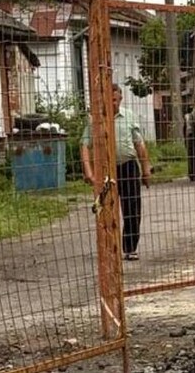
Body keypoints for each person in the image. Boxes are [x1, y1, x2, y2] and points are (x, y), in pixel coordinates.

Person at [80, 83, 152, 261]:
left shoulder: (129, 116)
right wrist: (89, 172)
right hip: (105, 169)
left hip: (127, 165)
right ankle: (108, 247)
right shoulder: (95, 119)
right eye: (108, 100)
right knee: (105, 208)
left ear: (120, 99)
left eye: (115, 99)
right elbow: (84, 145)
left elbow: (139, 144)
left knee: (132, 208)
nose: (112, 103)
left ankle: (130, 248)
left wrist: (145, 169)